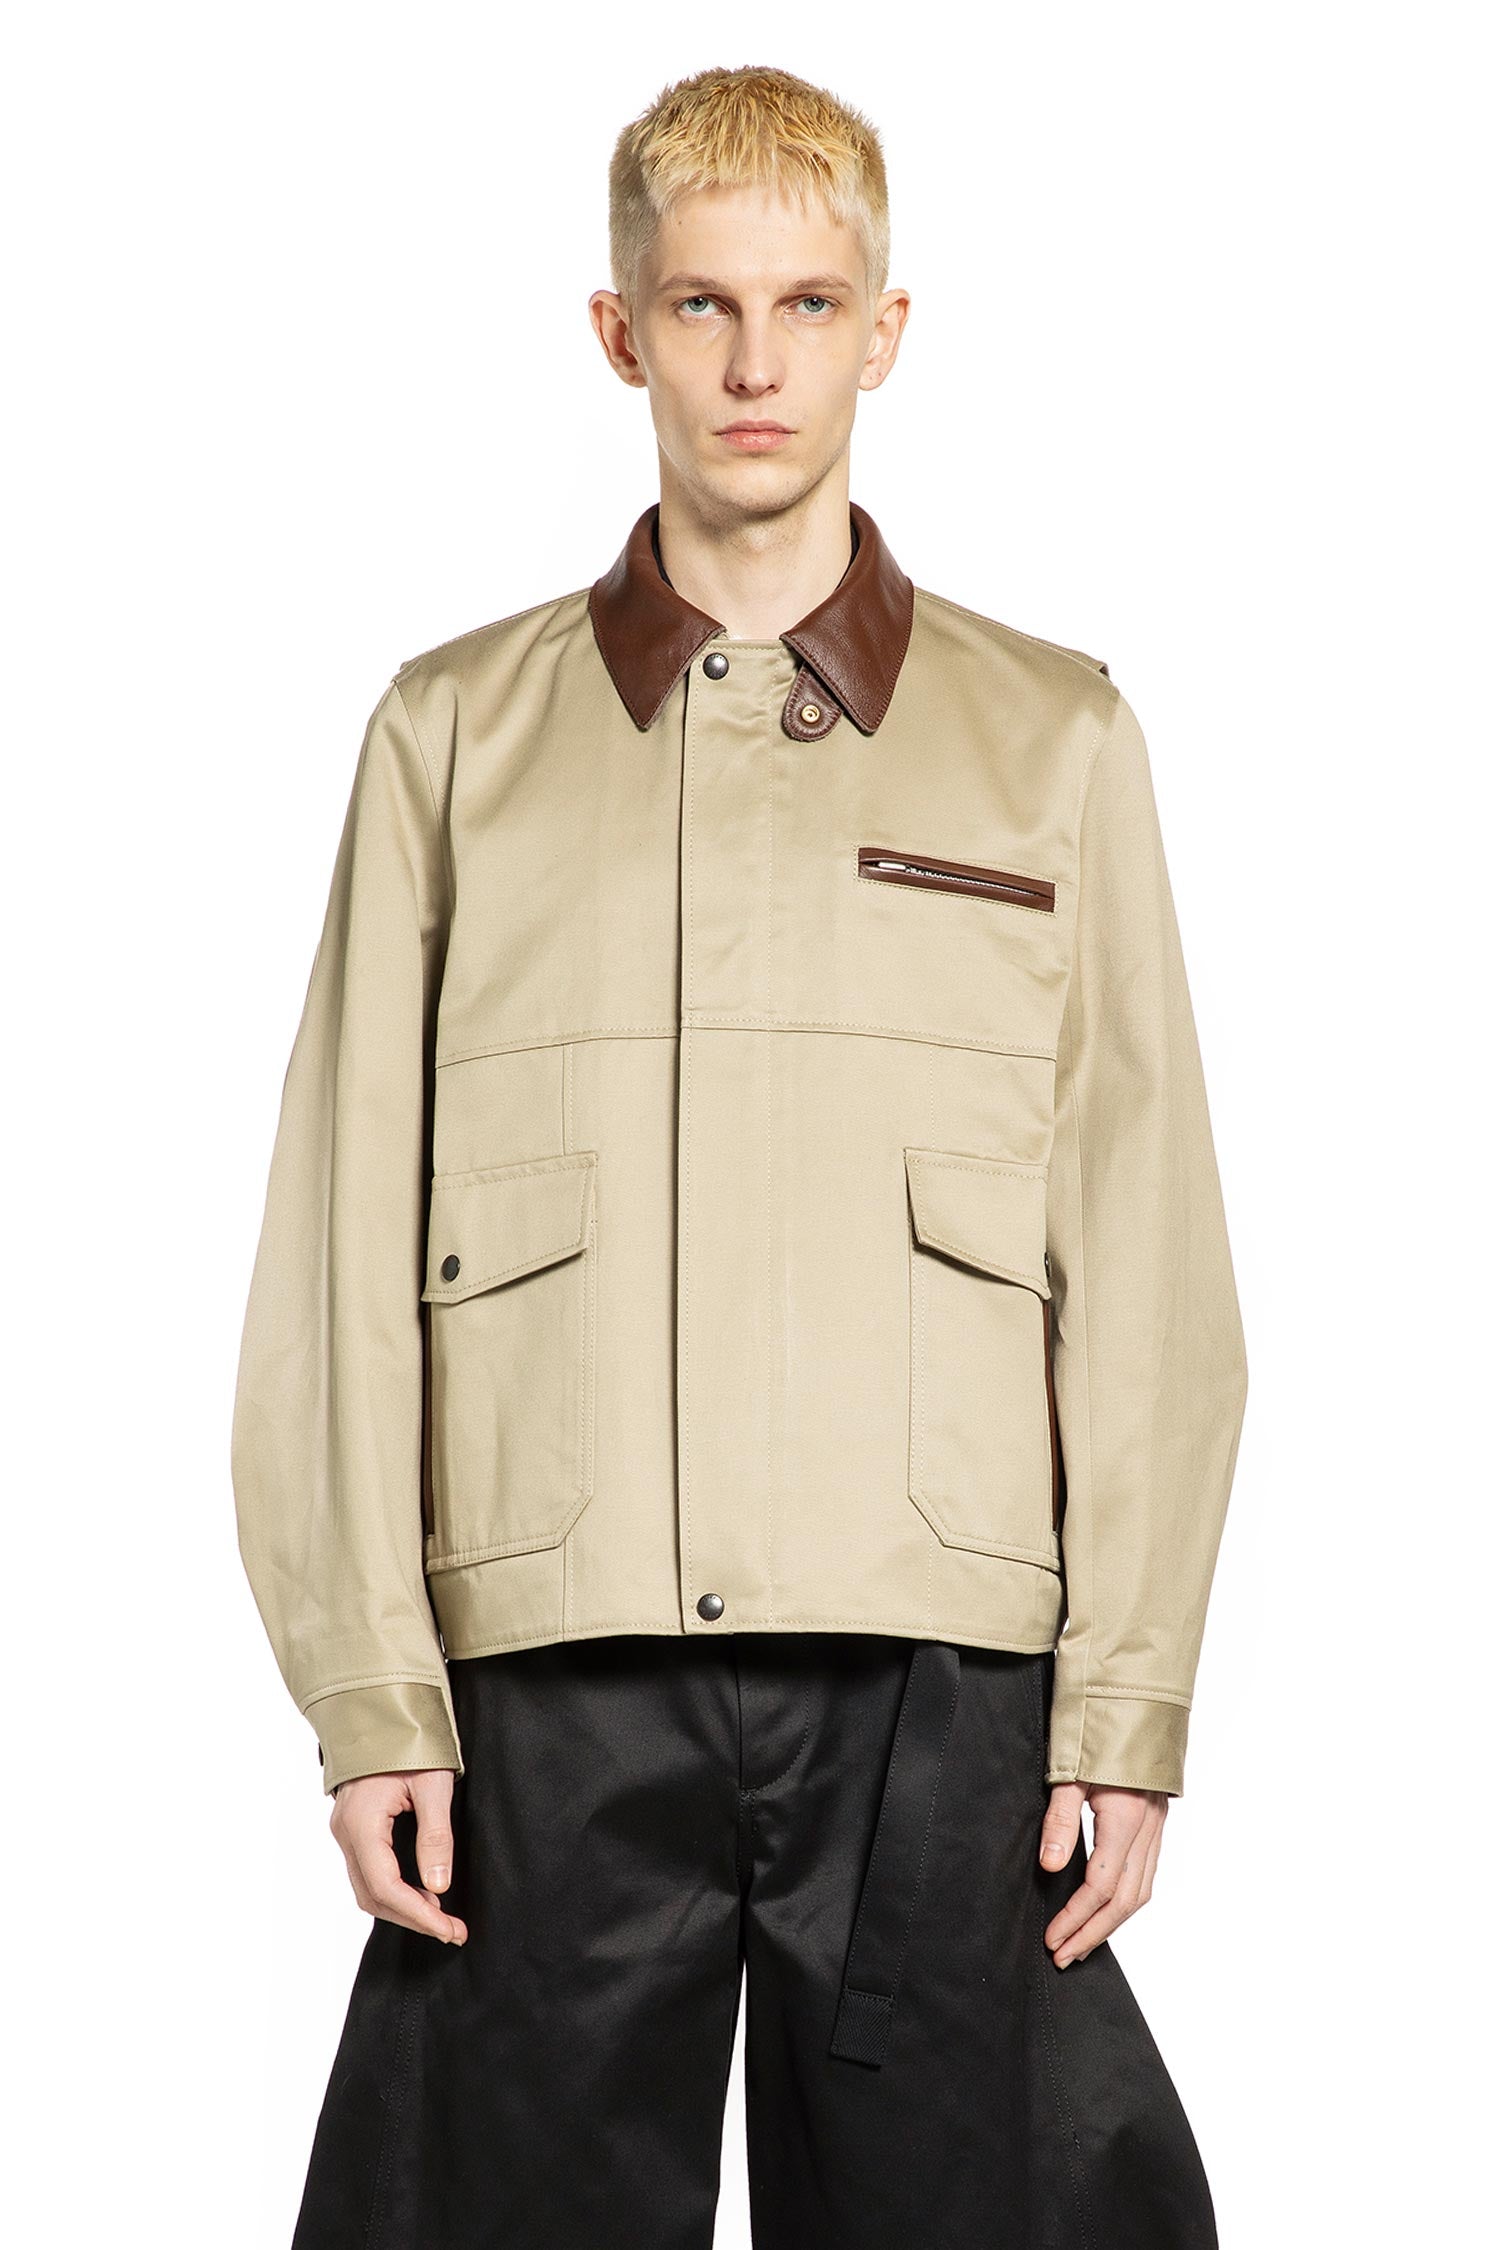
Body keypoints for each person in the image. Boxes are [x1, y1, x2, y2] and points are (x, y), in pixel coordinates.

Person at [232, 60, 1248, 2250]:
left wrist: (1130, 1691)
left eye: (808, 305)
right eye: (702, 305)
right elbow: (336, 1235)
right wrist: (367, 1683)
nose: (755, 363)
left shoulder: (1054, 737)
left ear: (888, 330)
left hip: (937, 1674)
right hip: (550, 1667)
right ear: (622, 331)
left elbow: (1145, 1240)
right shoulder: (452, 737)